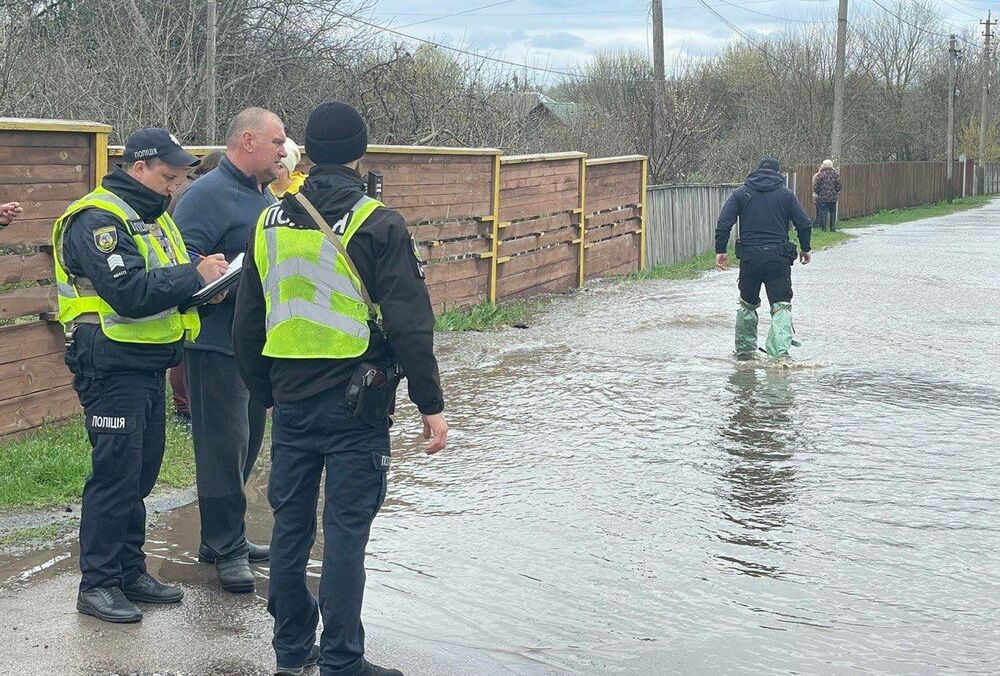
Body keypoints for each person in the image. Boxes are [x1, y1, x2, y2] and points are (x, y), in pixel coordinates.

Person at [233, 101, 448, 676]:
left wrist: (265, 392)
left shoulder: (268, 222)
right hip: (358, 402)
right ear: (359, 151)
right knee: (346, 531)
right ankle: (342, 660)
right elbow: (410, 324)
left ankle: (290, 651)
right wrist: (430, 404)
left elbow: (247, 323)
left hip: (290, 397)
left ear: (306, 150)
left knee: (291, 527)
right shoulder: (378, 221)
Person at [52, 128, 229, 623]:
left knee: (140, 474)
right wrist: (193, 276)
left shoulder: (151, 217)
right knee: (115, 476)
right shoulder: (98, 219)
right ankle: (98, 583)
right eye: (168, 177)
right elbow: (128, 292)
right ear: (139, 168)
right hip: (110, 364)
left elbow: (167, 279)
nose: (175, 187)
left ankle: (128, 570)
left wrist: (206, 282)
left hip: (145, 362)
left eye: (178, 179)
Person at [173, 108, 287, 593]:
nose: (284, 151)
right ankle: (227, 549)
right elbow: (179, 257)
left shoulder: (263, 195)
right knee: (223, 449)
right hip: (214, 343)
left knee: (248, 443)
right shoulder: (206, 194)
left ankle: (221, 537)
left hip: (253, 345)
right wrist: (208, 273)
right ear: (248, 141)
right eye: (277, 141)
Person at [715, 157, 813, 360]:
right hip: (778, 259)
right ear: (778, 174)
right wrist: (805, 248)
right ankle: (780, 355)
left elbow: (724, 222)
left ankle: (745, 351)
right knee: (781, 305)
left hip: (750, 259)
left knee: (747, 303)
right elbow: (804, 223)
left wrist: (721, 250)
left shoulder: (741, 193)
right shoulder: (786, 195)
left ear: (756, 171)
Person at [167, 150, 224, 425]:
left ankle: (183, 405)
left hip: (181, 277)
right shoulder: (197, 194)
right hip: (189, 276)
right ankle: (183, 407)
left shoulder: (187, 190)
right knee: (185, 349)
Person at [812, 159, 842, 231]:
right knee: (833, 212)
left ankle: (824, 228)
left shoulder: (820, 174)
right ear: (831, 165)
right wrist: (836, 191)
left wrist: (818, 193)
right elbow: (839, 185)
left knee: (823, 212)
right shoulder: (835, 174)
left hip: (823, 197)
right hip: (833, 197)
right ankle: (832, 227)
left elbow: (816, 186)